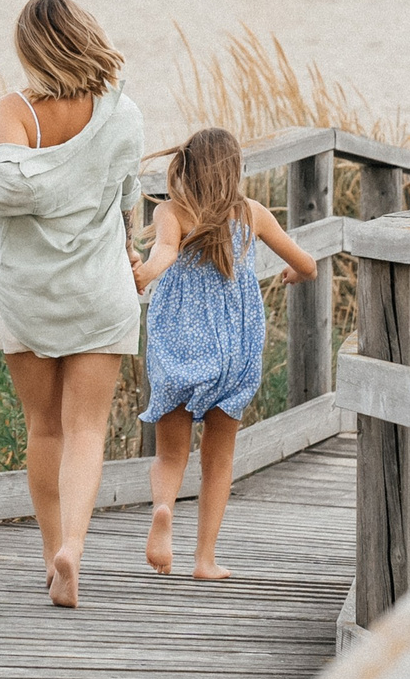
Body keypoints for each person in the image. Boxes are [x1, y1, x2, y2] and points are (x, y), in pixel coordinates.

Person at [0, 0, 144, 608]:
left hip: (32, 291)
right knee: (87, 429)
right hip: (101, 289)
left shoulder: (18, 109)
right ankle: (73, 550)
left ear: (31, 49)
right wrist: (130, 251)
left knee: (44, 427)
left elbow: (6, 190)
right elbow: (127, 195)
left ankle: (50, 547)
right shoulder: (123, 114)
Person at [134, 126, 323, 580]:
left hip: (180, 344)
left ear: (187, 168)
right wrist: (294, 276)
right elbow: (308, 264)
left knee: (169, 455)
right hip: (232, 350)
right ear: (235, 170)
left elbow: (161, 255)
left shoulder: (171, 213)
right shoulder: (252, 214)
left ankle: (163, 510)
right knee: (218, 460)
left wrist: (144, 275)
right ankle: (204, 560)